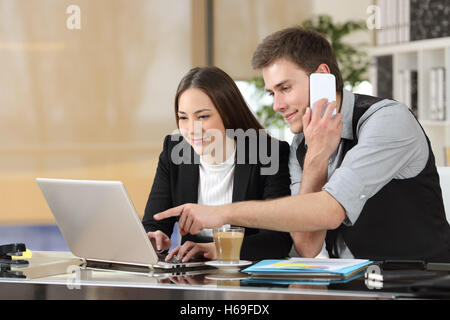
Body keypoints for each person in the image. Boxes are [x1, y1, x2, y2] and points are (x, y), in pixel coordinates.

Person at [154, 26, 450, 262]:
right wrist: (317, 157)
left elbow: (331, 210)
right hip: (354, 285)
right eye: (272, 93)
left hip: (419, 282)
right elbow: (307, 245)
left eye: (285, 88)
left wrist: (224, 213)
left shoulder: (387, 121)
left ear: (322, 77)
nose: (278, 105)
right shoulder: (300, 145)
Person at [142, 66, 293, 262]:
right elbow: (154, 223)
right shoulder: (174, 152)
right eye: (183, 118)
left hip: (248, 278)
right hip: (193, 278)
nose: (192, 129)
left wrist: (217, 250)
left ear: (228, 113)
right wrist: (155, 236)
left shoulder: (268, 152)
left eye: (203, 116)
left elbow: (277, 240)